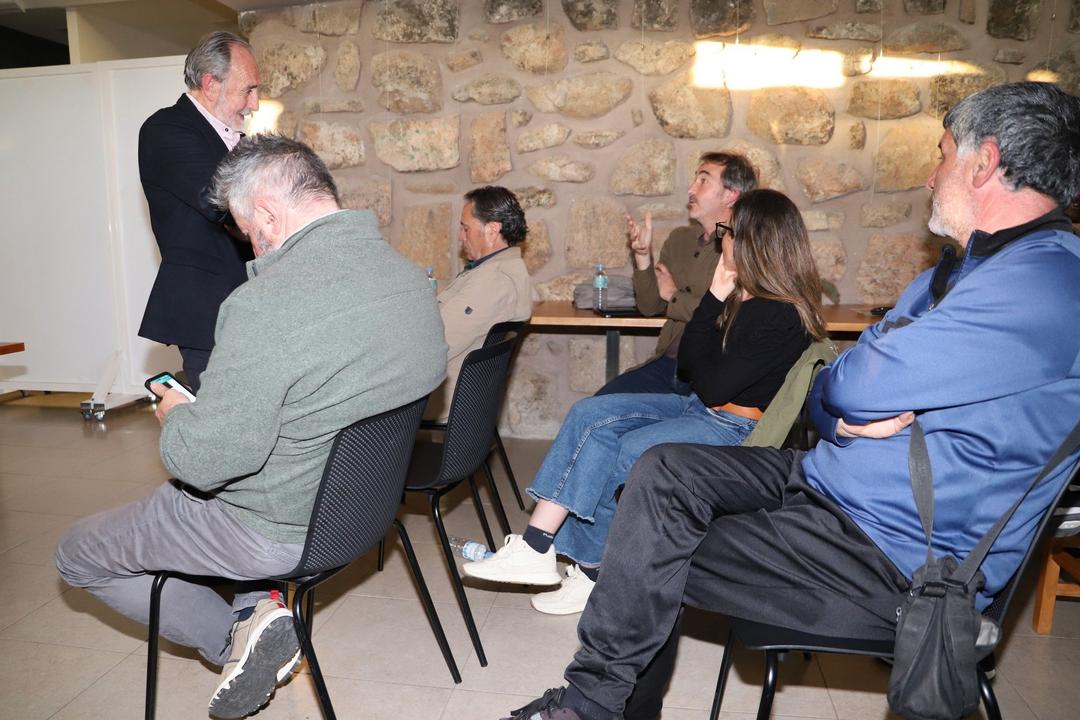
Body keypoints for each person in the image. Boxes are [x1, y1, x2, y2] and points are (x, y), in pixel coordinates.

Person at [500, 81, 1080, 720]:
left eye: (941, 155)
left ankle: (591, 706)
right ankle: (600, 701)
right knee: (663, 473)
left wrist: (851, 396)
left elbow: (853, 383)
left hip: (891, 554)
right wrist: (847, 416)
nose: (929, 177)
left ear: (984, 161)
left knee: (650, 541)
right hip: (828, 482)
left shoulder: (1046, 285)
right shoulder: (952, 275)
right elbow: (829, 391)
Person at [56, 135, 447, 720]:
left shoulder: (265, 304)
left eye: (247, 231)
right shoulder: (409, 279)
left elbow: (204, 463)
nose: (252, 247)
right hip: (362, 512)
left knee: (77, 553)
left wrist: (177, 415)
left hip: (273, 528)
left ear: (267, 213)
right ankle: (256, 608)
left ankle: (235, 638)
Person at [464, 189, 826, 616]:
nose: (721, 239)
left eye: (727, 231)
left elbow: (712, 384)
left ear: (753, 240)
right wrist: (714, 300)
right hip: (701, 407)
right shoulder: (742, 297)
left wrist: (712, 304)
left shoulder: (780, 313)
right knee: (590, 414)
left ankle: (593, 573)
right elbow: (691, 366)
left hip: (732, 426)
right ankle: (536, 547)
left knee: (627, 450)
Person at [138, 31, 261, 392]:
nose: (255, 103)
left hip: (249, 305)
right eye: (248, 90)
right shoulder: (166, 129)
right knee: (222, 415)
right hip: (207, 309)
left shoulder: (237, 138)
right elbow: (218, 201)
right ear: (210, 84)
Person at [596, 152, 758, 396]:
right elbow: (649, 306)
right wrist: (642, 256)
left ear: (730, 195)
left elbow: (727, 318)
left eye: (703, 180)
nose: (691, 188)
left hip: (709, 376)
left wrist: (673, 295)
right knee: (594, 406)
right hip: (665, 366)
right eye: (695, 179)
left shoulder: (744, 248)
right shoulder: (679, 239)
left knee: (607, 414)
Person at [425, 186, 532, 422]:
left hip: (442, 399)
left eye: (466, 228)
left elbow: (434, 343)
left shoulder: (494, 281)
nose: (461, 237)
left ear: (492, 230)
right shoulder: (505, 269)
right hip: (468, 398)